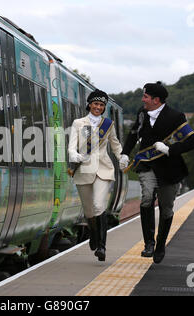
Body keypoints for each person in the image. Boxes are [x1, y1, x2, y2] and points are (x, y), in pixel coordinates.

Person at [119, 82, 194, 264]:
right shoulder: (142, 113)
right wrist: (125, 153)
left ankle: (161, 244)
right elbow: (133, 135)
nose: (143, 99)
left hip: (169, 169)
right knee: (147, 198)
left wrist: (170, 149)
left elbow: (193, 142)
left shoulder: (176, 116)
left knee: (166, 208)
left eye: (145, 96)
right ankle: (149, 243)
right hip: (147, 166)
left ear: (156, 100)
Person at [68, 89, 123, 261]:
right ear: (90, 105)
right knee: (89, 210)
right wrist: (74, 155)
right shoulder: (78, 123)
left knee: (100, 206)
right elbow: (71, 146)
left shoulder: (108, 125)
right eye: (96, 104)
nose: (98, 107)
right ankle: (93, 233)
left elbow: (115, 145)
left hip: (103, 169)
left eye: (101, 105)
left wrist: (122, 157)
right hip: (85, 168)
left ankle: (102, 247)